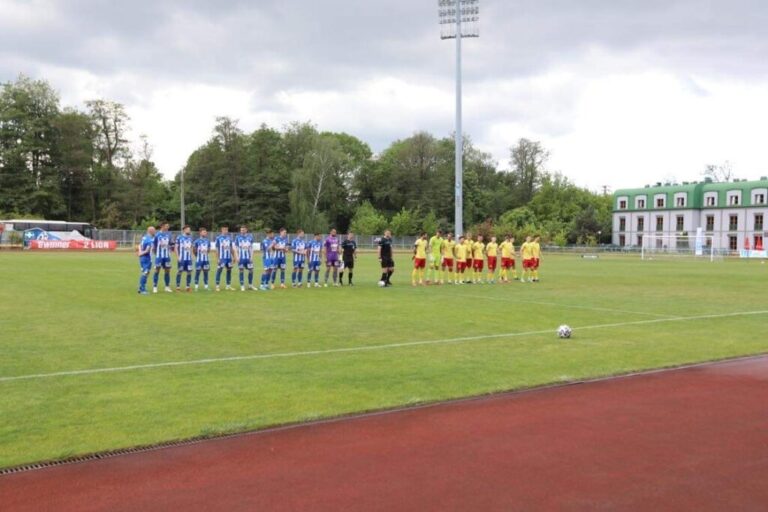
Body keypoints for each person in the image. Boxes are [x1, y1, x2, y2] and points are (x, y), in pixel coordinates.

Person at [152, 222, 173, 293]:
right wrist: (157, 254)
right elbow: (154, 246)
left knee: (167, 271)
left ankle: (167, 287)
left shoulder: (169, 235)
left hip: (167, 256)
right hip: (159, 256)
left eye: (168, 226)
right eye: (167, 226)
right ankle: (155, 287)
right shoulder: (157, 235)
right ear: (162, 226)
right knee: (157, 271)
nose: (168, 227)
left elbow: (170, 243)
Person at [234, 225, 255, 291]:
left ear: (246, 230)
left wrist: (251, 257)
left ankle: (250, 285)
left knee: (251, 270)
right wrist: (237, 257)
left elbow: (251, 248)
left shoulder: (250, 237)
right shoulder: (237, 237)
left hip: (248, 258)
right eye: (241, 230)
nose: (242, 231)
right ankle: (242, 286)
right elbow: (236, 248)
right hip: (241, 258)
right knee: (241, 271)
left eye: (243, 230)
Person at [214, 226, 234, 291]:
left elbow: (231, 248)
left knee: (229, 271)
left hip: (229, 258)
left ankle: (228, 286)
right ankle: (217, 286)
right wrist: (217, 259)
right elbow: (216, 249)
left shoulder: (229, 238)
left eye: (226, 230)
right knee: (219, 271)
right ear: (221, 230)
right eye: (224, 230)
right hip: (222, 258)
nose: (225, 231)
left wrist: (233, 256)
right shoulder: (218, 238)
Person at [175, 225, 194, 292]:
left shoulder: (190, 238)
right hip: (182, 258)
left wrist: (192, 255)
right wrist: (177, 257)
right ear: (184, 230)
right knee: (180, 271)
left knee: (189, 272)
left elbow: (191, 247)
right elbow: (176, 248)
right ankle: (178, 287)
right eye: (188, 229)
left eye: (189, 229)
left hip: (188, 259)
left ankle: (187, 287)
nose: (189, 230)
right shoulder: (179, 237)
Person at [137, 226, 155, 294]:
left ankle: (141, 287)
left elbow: (139, 245)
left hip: (142, 258)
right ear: (151, 231)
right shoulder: (149, 240)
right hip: (147, 258)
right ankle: (142, 289)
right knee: (145, 273)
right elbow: (147, 250)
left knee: (145, 273)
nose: (155, 232)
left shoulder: (144, 238)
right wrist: (141, 253)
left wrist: (140, 252)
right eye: (154, 230)